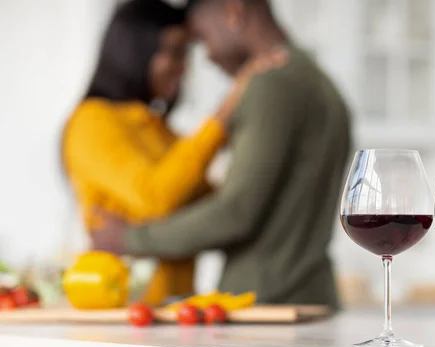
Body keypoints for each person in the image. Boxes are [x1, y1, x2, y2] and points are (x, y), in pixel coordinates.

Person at [91, 0, 353, 308]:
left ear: (234, 12)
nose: (207, 55)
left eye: (202, 38)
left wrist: (130, 240)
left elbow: (236, 212)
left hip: (267, 304)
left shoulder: (270, 86)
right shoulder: (321, 82)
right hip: (315, 296)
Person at [62, 0, 285, 306]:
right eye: (174, 52)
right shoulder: (92, 121)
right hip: (121, 306)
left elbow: (208, 204)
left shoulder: (158, 129)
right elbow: (155, 198)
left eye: (186, 53)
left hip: (169, 309)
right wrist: (224, 116)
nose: (184, 66)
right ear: (134, 50)